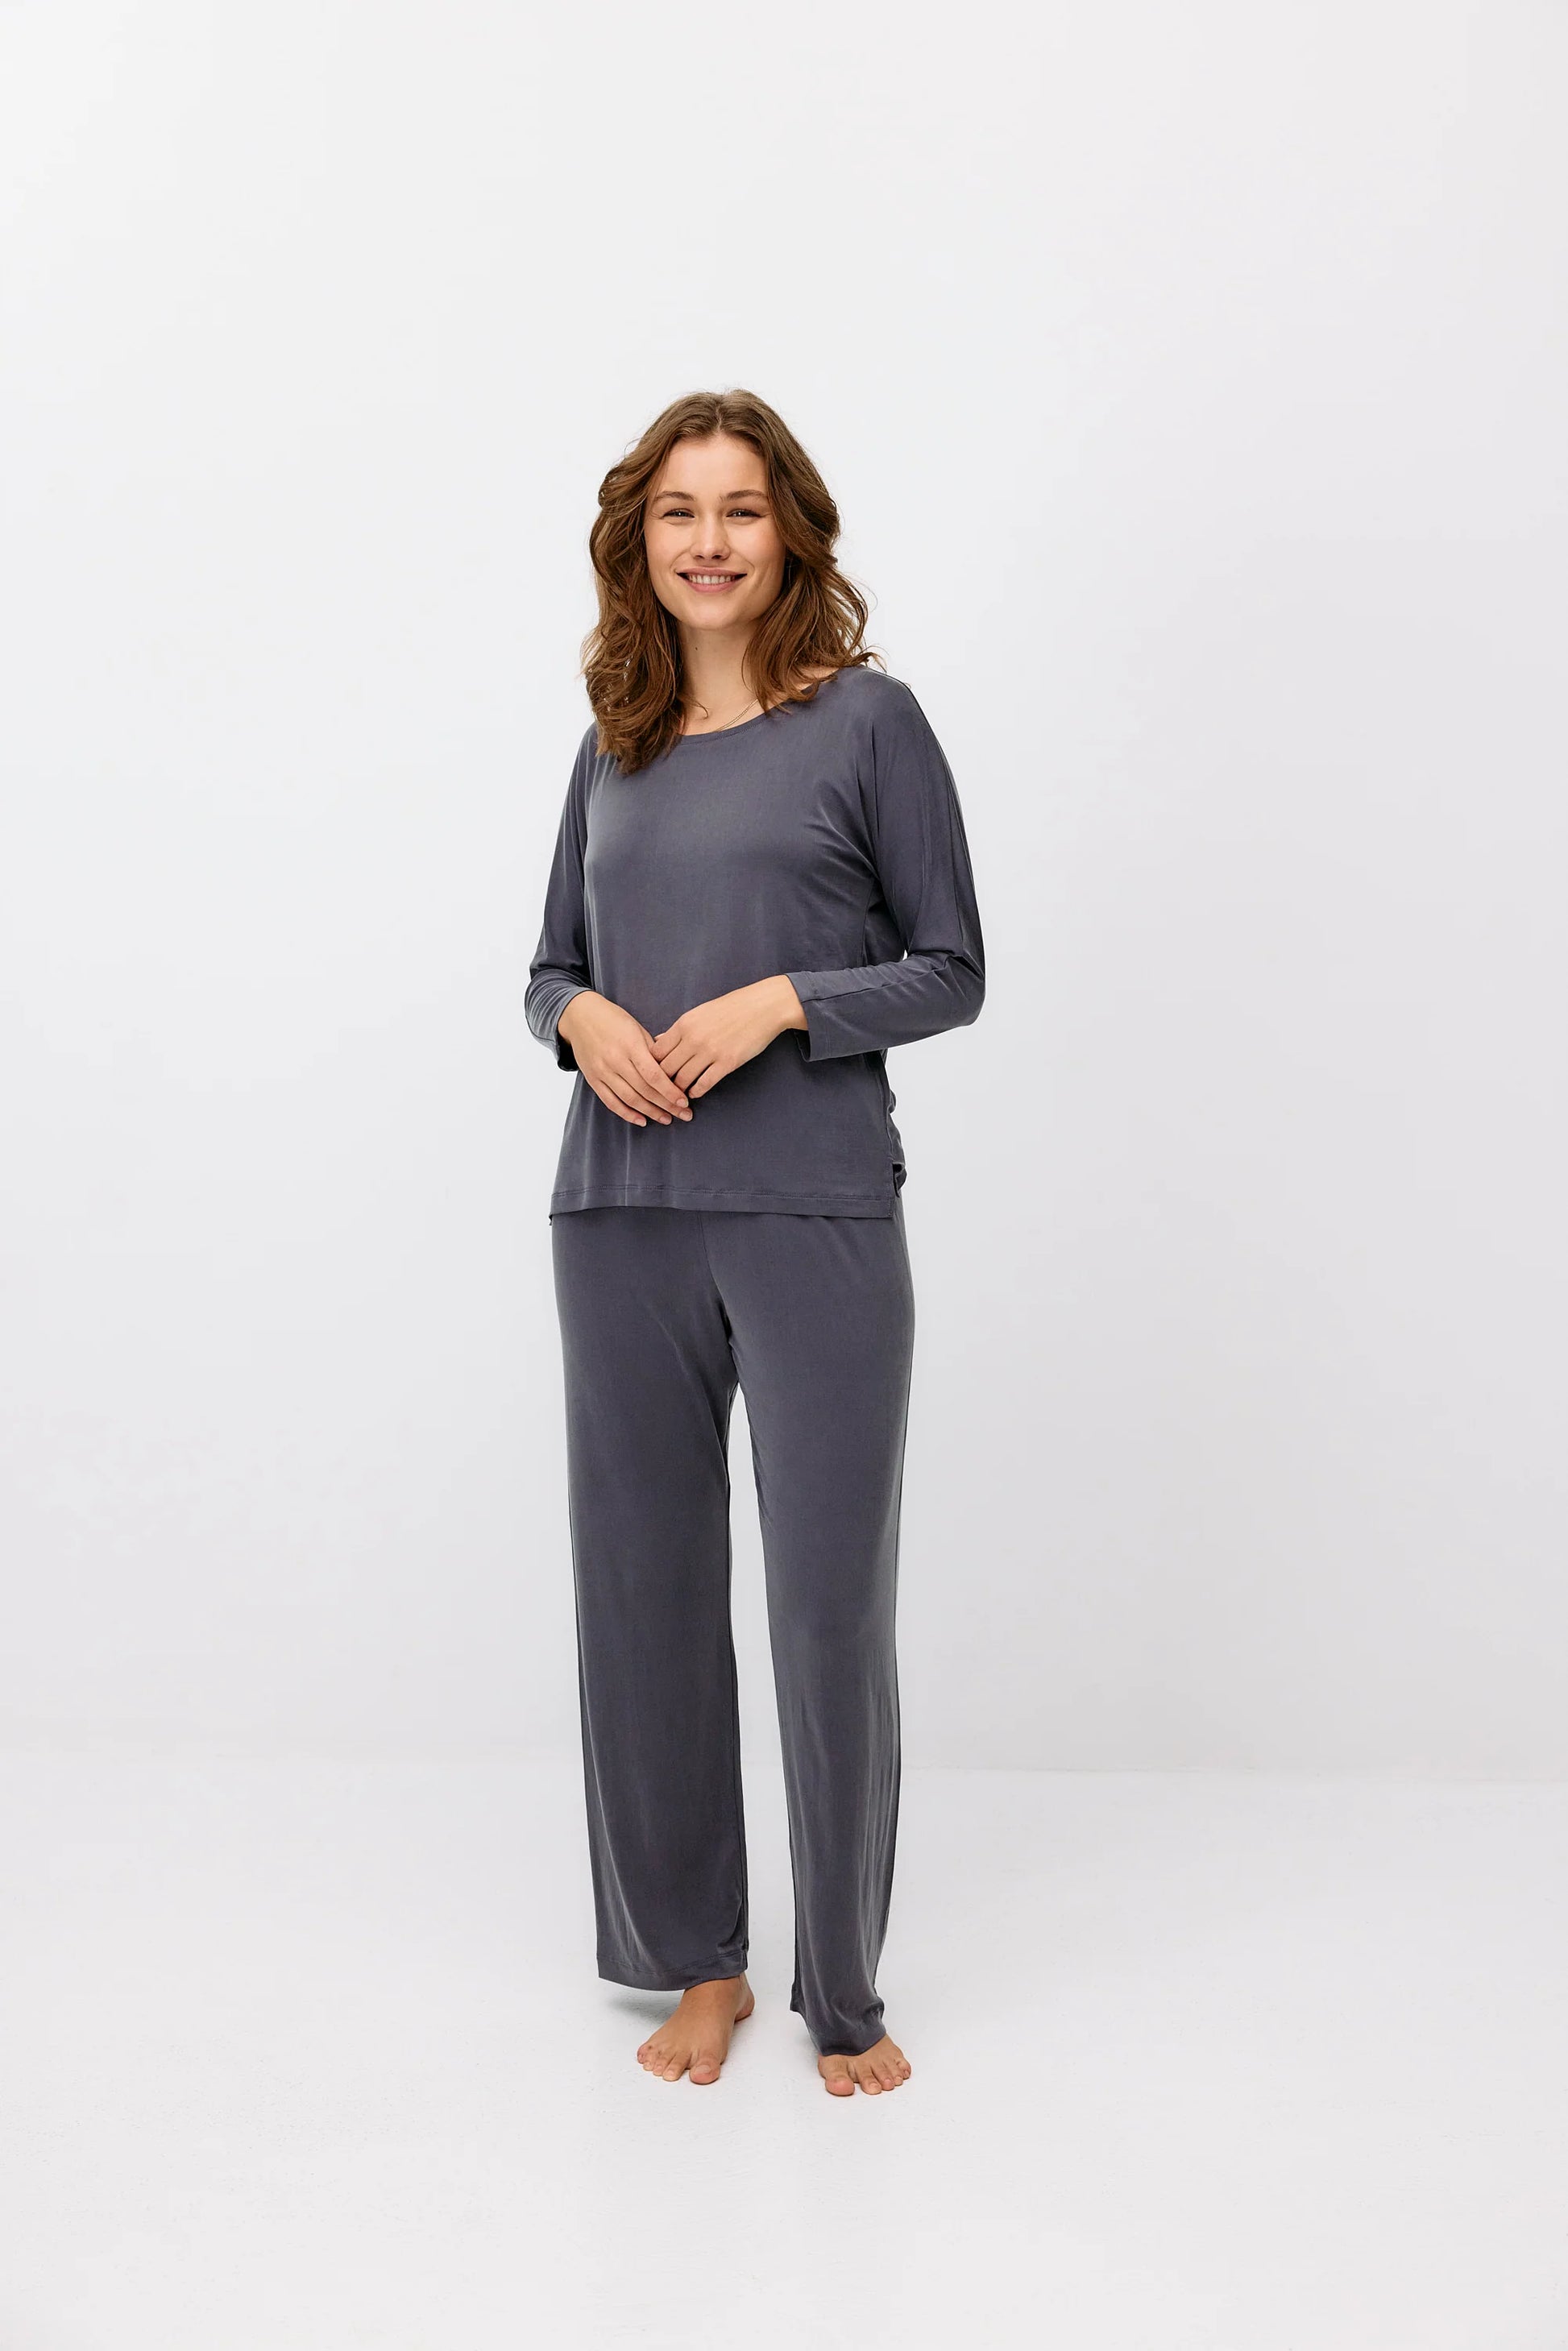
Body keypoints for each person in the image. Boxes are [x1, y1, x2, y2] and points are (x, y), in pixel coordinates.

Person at [525, 389, 985, 2097]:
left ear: (789, 529)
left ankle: (840, 1990)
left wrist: (786, 998)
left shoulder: (869, 722)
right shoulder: (614, 743)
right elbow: (547, 965)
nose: (708, 541)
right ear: (636, 541)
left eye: (738, 508)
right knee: (642, 1599)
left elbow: (952, 966)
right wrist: (576, 1015)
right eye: (677, 512)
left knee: (824, 1608)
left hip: (814, 1210)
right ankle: (696, 1962)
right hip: (617, 1214)